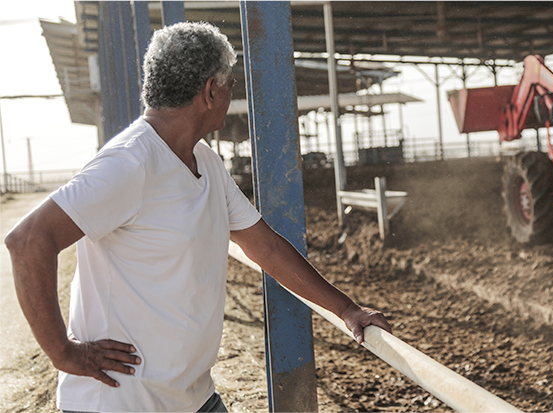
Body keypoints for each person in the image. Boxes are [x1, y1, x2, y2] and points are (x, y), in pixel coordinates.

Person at [5, 21, 391, 413]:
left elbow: (268, 248)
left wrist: (346, 309)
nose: (232, 92)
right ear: (210, 91)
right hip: (123, 401)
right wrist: (63, 353)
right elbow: (27, 240)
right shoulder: (129, 163)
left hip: (193, 397)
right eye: (230, 83)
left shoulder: (204, 160)